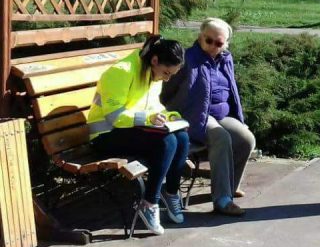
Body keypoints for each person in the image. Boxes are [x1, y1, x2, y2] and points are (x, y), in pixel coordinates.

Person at [87, 36, 189, 235]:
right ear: (155, 60)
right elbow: (114, 117)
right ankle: (149, 203)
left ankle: (170, 192)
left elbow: (153, 106)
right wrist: (148, 119)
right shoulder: (121, 71)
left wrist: (169, 116)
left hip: (130, 130)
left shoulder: (152, 71)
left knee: (182, 137)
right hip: (104, 135)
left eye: (171, 75)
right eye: (166, 73)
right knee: (166, 142)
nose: (167, 79)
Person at [162, 17, 255, 217]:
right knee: (221, 137)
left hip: (221, 114)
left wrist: (239, 119)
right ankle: (222, 200)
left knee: (246, 139)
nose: (212, 46)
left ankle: (230, 186)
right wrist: (168, 113)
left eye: (218, 43)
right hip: (195, 115)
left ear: (225, 44)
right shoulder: (187, 59)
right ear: (200, 37)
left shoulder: (226, 59)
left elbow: (232, 91)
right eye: (208, 40)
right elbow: (166, 88)